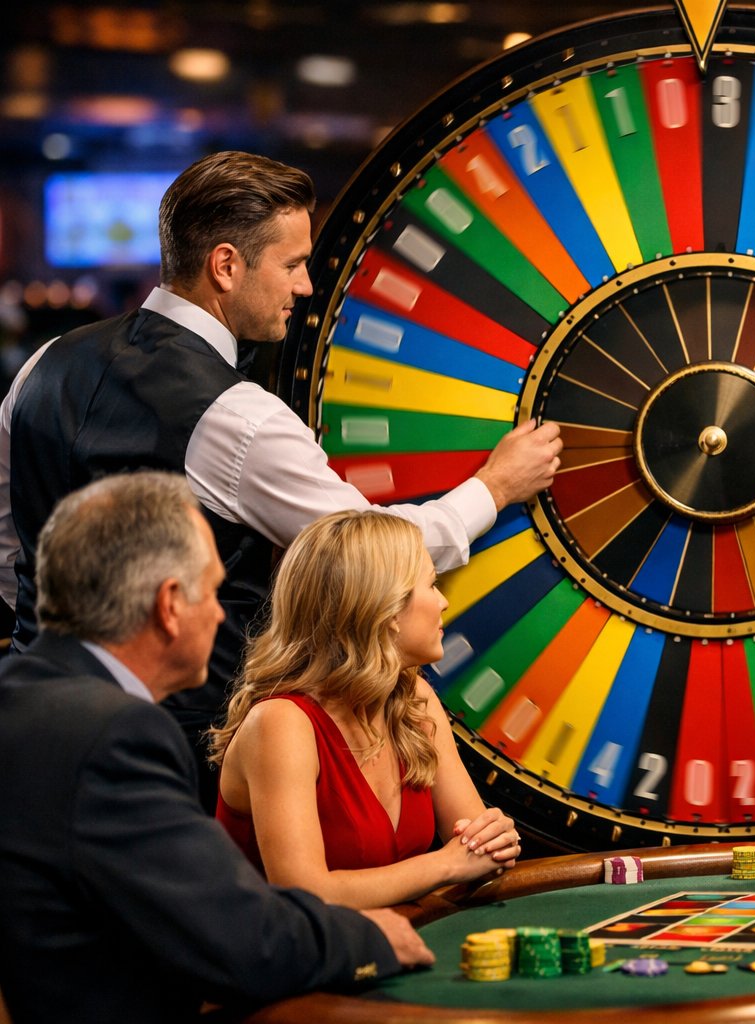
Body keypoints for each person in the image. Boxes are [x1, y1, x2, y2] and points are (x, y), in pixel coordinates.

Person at [0, 151, 562, 802]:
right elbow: (374, 549)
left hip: (27, 719)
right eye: (292, 264)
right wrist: (494, 487)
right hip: (178, 745)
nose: (305, 287)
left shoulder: (45, 363)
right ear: (226, 265)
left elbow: (11, 547)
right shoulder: (236, 418)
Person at [0, 473, 434, 1024]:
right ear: (170, 605)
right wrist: (371, 940)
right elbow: (239, 937)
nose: (222, 615)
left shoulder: (19, 698)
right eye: (212, 590)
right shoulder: (115, 734)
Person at [210, 510, 521, 908]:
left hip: (388, 949)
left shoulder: (415, 702)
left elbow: (475, 851)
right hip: (284, 964)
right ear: (385, 610)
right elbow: (305, 895)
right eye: (431, 584)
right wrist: (446, 866)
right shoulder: (281, 722)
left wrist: (495, 840)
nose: (444, 601)